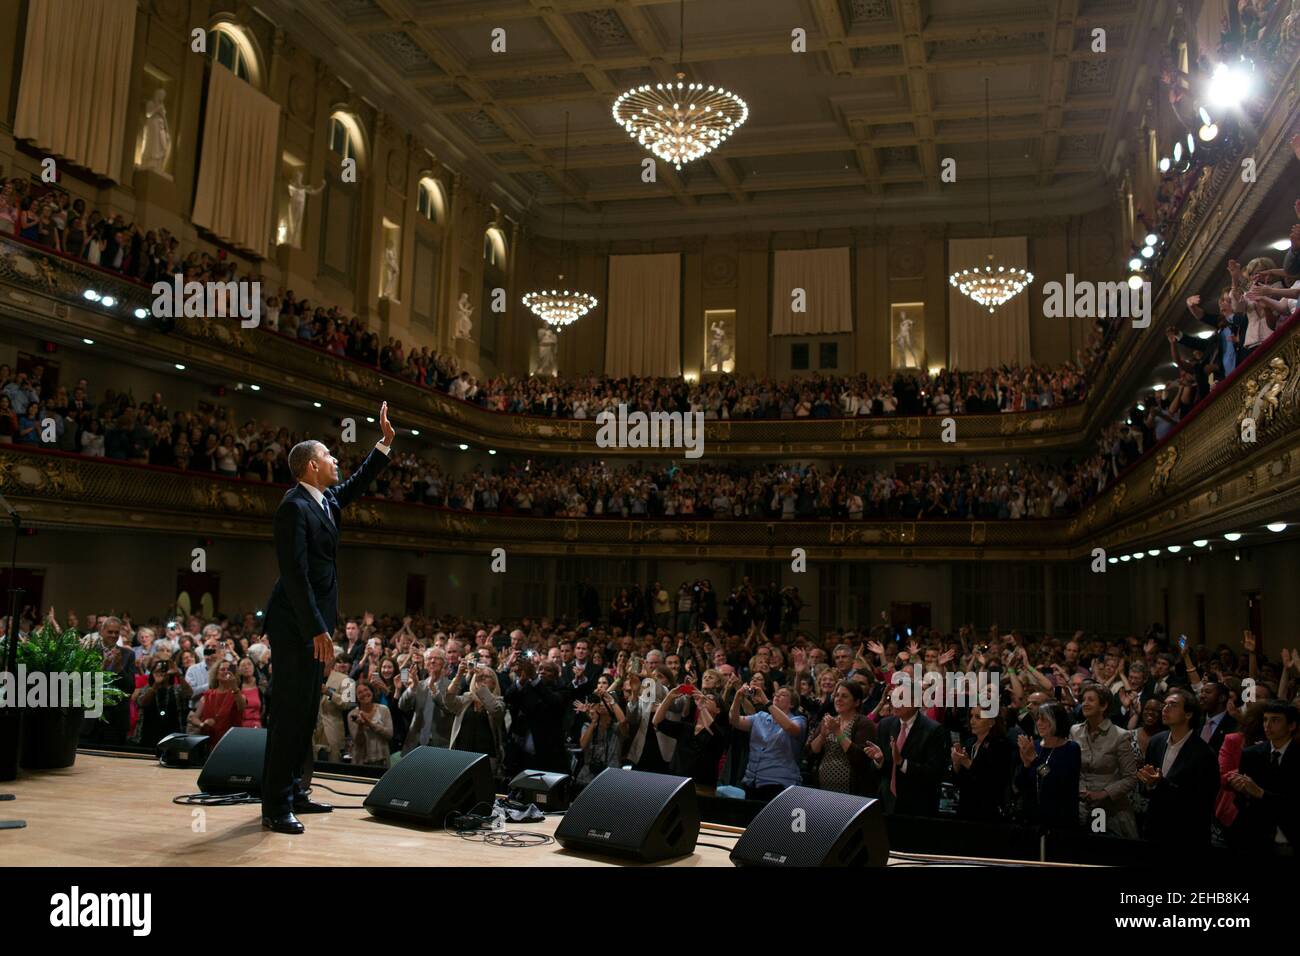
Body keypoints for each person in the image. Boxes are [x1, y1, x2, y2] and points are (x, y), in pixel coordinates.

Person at [259, 402, 394, 834]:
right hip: (298, 626)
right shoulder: (293, 507)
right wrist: (317, 627)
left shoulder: (325, 500)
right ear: (313, 465)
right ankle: (276, 806)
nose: (338, 461)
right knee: (289, 715)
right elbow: (294, 575)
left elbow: (357, 483)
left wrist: (385, 444)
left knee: (305, 714)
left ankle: (297, 791)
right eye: (331, 456)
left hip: (315, 626)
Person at [1137, 687, 1218, 845]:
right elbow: (1146, 786)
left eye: (1173, 705)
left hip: (1186, 834)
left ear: (1188, 714)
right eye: (1164, 705)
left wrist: (1160, 784)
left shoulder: (1204, 753)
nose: (1165, 709)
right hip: (1155, 828)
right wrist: (1147, 783)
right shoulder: (1156, 741)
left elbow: (1200, 801)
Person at [1226, 701, 1300, 854]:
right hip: (1253, 835)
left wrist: (1260, 793)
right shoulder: (1251, 754)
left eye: (1275, 720)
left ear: (1292, 726)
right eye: (1265, 719)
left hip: (1288, 837)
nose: (1267, 725)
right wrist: (1242, 789)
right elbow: (1241, 800)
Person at [876, 675, 950, 816]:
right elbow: (879, 771)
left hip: (917, 805)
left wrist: (902, 763)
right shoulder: (885, 725)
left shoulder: (934, 730)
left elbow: (934, 773)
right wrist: (879, 760)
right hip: (885, 802)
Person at [1072, 684, 1138, 838]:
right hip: (1080, 806)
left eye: (1091, 700)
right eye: (1083, 700)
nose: (1085, 703)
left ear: (1104, 706)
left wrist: (1103, 793)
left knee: (1100, 852)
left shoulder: (1120, 736)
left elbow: (1131, 777)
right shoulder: (1074, 731)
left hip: (1108, 809)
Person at [729, 676, 805, 802]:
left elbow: (789, 727)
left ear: (792, 703)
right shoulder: (760, 717)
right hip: (752, 782)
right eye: (776, 694)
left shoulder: (798, 720)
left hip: (779, 784)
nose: (777, 696)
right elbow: (734, 720)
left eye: (783, 695)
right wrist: (738, 697)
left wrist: (765, 701)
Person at [807, 681, 881, 797]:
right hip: (824, 789)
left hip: (853, 792)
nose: (838, 699)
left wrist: (837, 732)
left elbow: (860, 758)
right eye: (837, 695)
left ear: (856, 702)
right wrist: (822, 736)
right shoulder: (828, 721)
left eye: (844, 696)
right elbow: (811, 754)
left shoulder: (864, 724)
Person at [653, 684, 729, 795]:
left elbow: (712, 730)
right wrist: (669, 697)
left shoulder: (721, 732)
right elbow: (657, 722)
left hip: (703, 788)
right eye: (704, 697)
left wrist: (703, 708)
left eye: (710, 698)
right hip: (675, 784)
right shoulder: (687, 728)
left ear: (718, 710)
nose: (704, 699)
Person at [1015, 701, 1080, 830]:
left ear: (1057, 721)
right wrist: (1026, 765)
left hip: (1060, 820)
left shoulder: (1071, 749)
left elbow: (1057, 782)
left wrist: (1034, 759)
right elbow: (1020, 785)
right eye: (1038, 719)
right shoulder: (1035, 746)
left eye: (1044, 719)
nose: (1039, 723)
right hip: (1033, 819)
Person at [443, 659, 506, 778]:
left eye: (486, 677)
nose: (482, 678)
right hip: (460, 756)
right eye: (479, 676)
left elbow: (494, 710)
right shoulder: (466, 700)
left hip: (486, 758)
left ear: (494, 683)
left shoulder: (499, 702)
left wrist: (481, 688)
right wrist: (458, 675)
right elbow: (448, 701)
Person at [951, 708, 1013, 822]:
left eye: (978, 717)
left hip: (987, 812)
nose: (972, 721)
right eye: (971, 716)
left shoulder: (1001, 745)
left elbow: (994, 781)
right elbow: (958, 781)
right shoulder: (969, 743)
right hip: (965, 808)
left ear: (991, 722)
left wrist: (968, 763)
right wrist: (956, 764)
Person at [192, 660, 246, 746]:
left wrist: (234, 687)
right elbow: (194, 718)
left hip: (232, 742)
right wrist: (202, 724)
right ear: (216, 674)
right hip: (210, 741)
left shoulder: (238, 694)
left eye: (228, 669)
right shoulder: (208, 695)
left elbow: (242, 707)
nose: (226, 672)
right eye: (222, 669)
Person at [347, 682, 393, 767]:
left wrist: (370, 724)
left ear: (371, 691)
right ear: (356, 697)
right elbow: (358, 742)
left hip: (382, 761)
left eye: (366, 690)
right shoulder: (352, 714)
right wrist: (360, 727)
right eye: (359, 692)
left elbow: (389, 735)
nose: (364, 694)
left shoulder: (384, 710)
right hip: (361, 762)